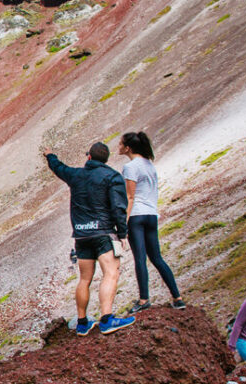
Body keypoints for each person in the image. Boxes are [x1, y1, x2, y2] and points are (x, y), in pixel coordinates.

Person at [45, 142, 136, 336]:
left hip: (81, 235)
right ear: (105, 159)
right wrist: (122, 233)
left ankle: (82, 323)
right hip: (103, 233)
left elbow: (58, 168)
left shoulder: (76, 175)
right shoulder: (112, 177)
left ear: (89, 158)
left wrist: (49, 155)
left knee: (84, 279)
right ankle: (107, 319)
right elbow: (119, 208)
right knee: (111, 273)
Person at [118, 132, 185, 314]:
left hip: (137, 215)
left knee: (140, 257)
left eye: (120, 144)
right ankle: (177, 298)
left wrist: (123, 223)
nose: (118, 146)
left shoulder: (130, 167)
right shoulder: (150, 165)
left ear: (128, 148)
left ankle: (143, 299)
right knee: (156, 257)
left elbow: (130, 197)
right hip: (151, 214)